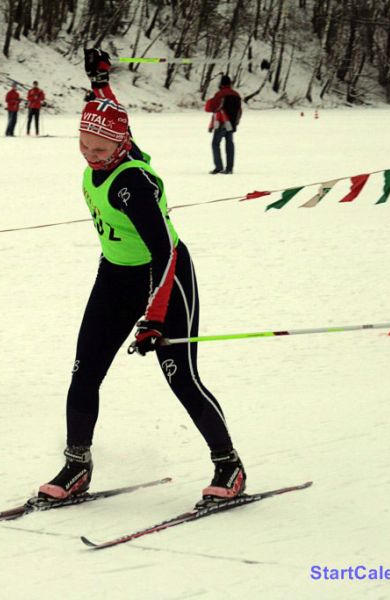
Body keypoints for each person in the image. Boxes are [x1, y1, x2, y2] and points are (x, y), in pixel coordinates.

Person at [38, 49, 246, 505]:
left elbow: (164, 251)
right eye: (83, 146)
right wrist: (100, 80)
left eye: (100, 149)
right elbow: (107, 113)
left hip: (165, 277)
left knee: (180, 377)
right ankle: (77, 465)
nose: (91, 156)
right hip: (114, 277)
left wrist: (154, 317)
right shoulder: (110, 146)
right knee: (84, 373)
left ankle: (228, 465)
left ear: (121, 146)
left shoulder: (132, 184)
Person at [204, 74, 242, 174]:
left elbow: (211, 108)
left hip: (221, 122)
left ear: (221, 84)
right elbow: (239, 111)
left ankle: (219, 167)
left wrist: (209, 101)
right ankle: (229, 168)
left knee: (215, 144)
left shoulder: (220, 94)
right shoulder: (236, 94)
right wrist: (235, 123)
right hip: (231, 124)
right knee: (229, 144)